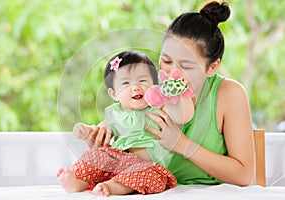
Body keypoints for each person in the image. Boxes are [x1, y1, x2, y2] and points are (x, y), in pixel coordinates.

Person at [76, 1, 254, 187]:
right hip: (146, 190)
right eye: (166, 61)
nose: (171, 73)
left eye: (185, 66)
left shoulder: (229, 94)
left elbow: (243, 175)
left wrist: (181, 144)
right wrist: (105, 132)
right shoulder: (151, 88)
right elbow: (128, 121)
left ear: (212, 67)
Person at [57, 50, 195, 197]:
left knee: (153, 176)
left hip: (147, 165)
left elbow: (184, 116)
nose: (135, 87)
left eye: (142, 81)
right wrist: (87, 131)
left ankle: (109, 186)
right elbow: (99, 131)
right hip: (115, 161)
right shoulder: (114, 114)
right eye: (126, 83)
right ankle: (77, 181)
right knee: (96, 156)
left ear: (155, 85)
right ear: (114, 94)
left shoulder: (159, 109)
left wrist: (180, 93)